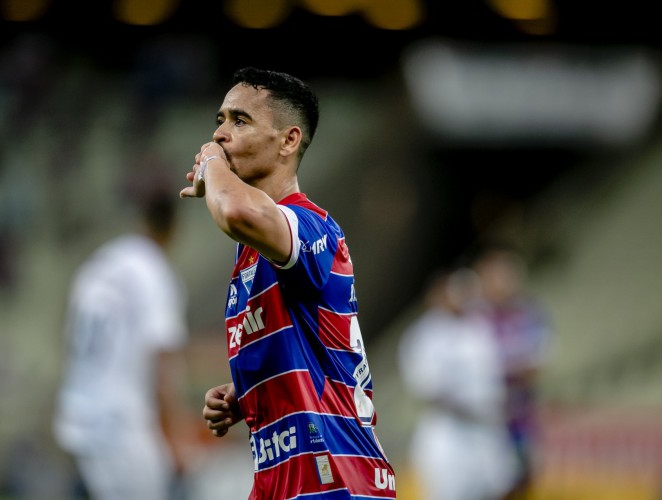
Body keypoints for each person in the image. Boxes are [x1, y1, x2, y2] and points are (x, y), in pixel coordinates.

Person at [180, 67, 396, 499]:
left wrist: (211, 164)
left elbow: (238, 213)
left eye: (239, 121)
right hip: (281, 478)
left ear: (288, 140)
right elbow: (311, 349)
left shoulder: (311, 226)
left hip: (336, 476)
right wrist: (246, 394)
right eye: (219, 121)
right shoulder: (252, 252)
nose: (221, 134)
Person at [53, 167, 196, 500]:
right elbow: (163, 360)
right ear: (173, 227)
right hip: (120, 425)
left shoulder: (100, 263)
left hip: (77, 418)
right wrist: (177, 438)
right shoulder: (153, 271)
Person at [397, 268, 518, 500]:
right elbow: (428, 392)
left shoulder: (479, 327)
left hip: (489, 432)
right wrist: (476, 410)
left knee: (501, 489)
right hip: (449, 436)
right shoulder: (425, 335)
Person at [471, 244, 552, 499]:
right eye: (495, 274)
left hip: (520, 421)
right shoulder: (472, 318)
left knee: (522, 483)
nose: (503, 282)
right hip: (482, 424)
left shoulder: (531, 314)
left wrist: (495, 372)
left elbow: (535, 367)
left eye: (507, 274)